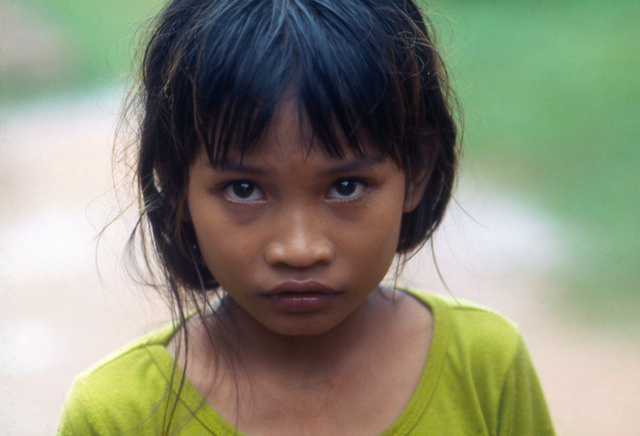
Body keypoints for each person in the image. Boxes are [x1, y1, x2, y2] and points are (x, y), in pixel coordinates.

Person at [57, 0, 554, 434]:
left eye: (345, 187)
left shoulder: (486, 368)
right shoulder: (118, 415)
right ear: (177, 187)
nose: (299, 249)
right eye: (244, 189)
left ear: (418, 172)